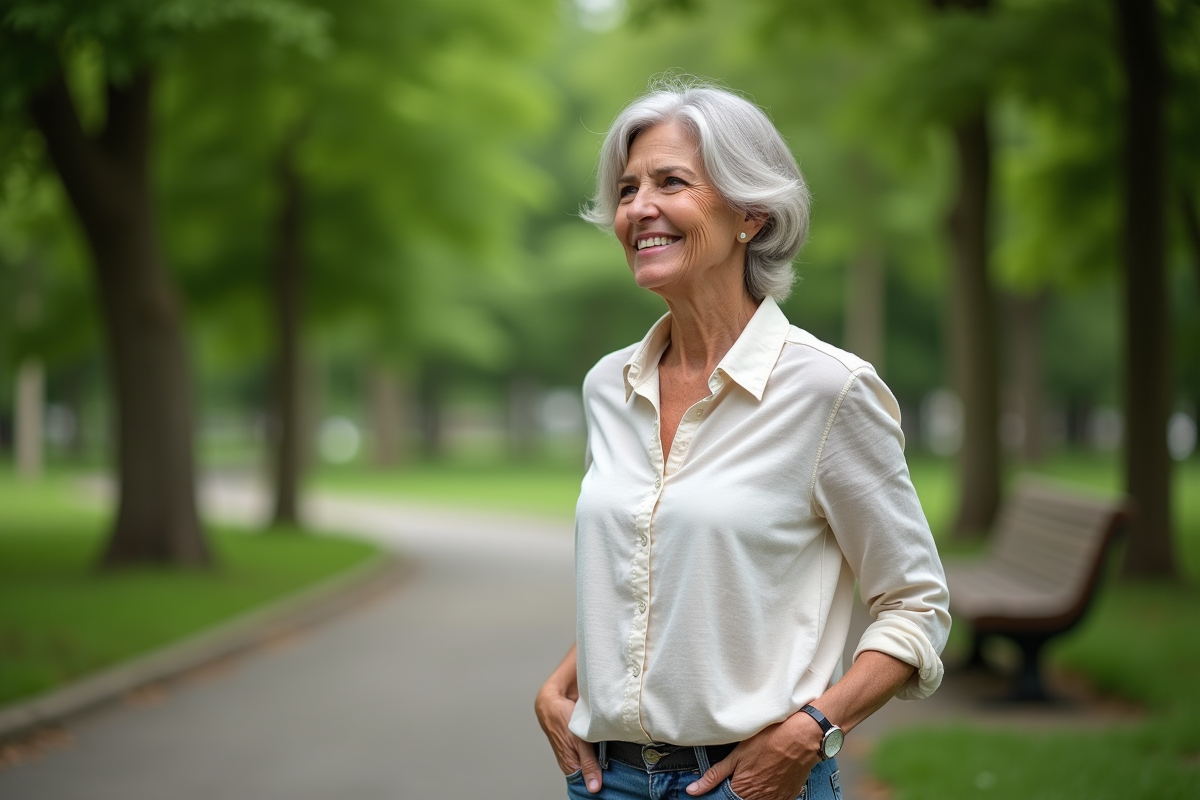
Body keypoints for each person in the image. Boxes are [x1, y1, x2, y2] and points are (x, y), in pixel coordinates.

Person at [535, 78, 951, 800]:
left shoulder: (829, 391)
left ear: (751, 215)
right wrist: (564, 680)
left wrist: (814, 728)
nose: (640, 208)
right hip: (606, 782)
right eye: (628, 188)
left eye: (671, 182)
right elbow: (648, 566)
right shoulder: (609, 386)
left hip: (751, 784)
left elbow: (916, 604)